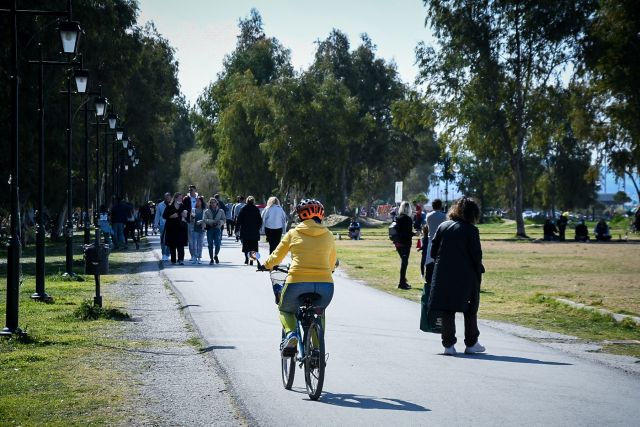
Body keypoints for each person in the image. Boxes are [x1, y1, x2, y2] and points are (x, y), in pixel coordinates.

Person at [263, 199, 336, 355]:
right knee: (319, 312)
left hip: (297, 282)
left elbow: (276, 256)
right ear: (320, 216)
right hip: (325, 285)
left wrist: (266, 265)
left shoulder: (294, 233)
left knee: (286, 310)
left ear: (301, 216)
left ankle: (291, 335)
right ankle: (316, 350)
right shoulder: (329, 235)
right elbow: (331, 263)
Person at [429, 197, 485, 356]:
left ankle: (448, 346)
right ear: (473, 213)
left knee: (448, 309)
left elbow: (433, 252)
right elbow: (476, 256)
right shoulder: (472, 231)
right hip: (466, 276)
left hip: (443, 275)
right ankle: (471, 343)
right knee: (470, 309)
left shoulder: (443, 226)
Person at [424, 199, 446, 285]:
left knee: (430, 260)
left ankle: (428, 278)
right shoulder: (444, 216)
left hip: (431, 240)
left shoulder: (428, 215)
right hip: (441, 241)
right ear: (440, 206)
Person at [163, 192, 189, 265]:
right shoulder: (169, 206)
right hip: (171, 228)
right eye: (180, 198)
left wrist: (185, 214)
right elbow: (164, 216)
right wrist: (171, 216)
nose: (181, 199)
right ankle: (173, 260)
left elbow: (187, 216)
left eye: (181, 198)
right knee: (172, 245)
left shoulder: (183, 206)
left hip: (181, 228)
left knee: (180, 245)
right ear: (175, 198)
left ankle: (181, 260)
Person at [394, 201, 414, 290]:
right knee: (404, 263)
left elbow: (398, 231)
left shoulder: (397, 218)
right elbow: (407, 233)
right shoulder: (408, 219)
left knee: (404, 262)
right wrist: (415, 234)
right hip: (405, 244)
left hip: (397, 243)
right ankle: (401, 283)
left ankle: (403, 280)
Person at [236, 196, 262, 265]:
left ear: (246, 201)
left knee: (246, 246)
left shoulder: (243, 209)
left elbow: (239, 220)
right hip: (254, 231)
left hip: (245, 230)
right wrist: (258, 228)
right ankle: (252, 260)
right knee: (253, 246)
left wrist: (237, 230)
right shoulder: (256, 209)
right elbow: (260, 221)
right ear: (254, 201)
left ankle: (246, 258)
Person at [204, 197, 226, 264]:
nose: (212, 204)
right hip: (210, 229)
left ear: (216, 203)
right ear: (209, 203)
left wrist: (220, 222)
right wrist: (212, 222)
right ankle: (211, 259)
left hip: (217, 229)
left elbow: (224, 220)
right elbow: (204, 219)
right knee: (210, 245)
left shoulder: (221, 211)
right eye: (211, 202)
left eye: (214, 202)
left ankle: (215, 255)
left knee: (218, 244)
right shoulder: (207, 211)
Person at [155, 192, 172, 260]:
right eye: (166, 196)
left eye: (169, 196)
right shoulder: (160, 205)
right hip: (162, 225)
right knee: (163, 240)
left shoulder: (172, 204)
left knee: (170, 240)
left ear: (170, 197)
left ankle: (167, 253)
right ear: (164, 197)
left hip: (171, 225)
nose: (168, 198)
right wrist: (155, 225)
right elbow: (157, 215)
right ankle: (164, 253)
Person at [190, 196, 207, 264]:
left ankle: (199, 257)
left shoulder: (205, 210)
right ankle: (194, 257)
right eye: (196, 201)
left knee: (200, 243)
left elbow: (206, 220)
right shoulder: (193, 209)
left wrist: (203, 223)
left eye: (198, 201)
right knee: (194, 243)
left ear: (201, 202)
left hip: (202, 229)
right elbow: (191, 220)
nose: (197, 202)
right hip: (194, 228)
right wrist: (192, 217)